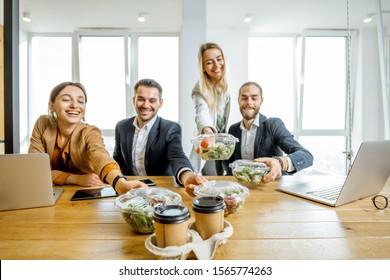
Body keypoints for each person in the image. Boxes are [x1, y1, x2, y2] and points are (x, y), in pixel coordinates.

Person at [28, 81, 148, 195]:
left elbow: (100, 156)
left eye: (80, 101)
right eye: (66, 99)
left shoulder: (90, 131)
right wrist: (75, 178)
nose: (74, 105)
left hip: (85, 193)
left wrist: (120, 183)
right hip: (49, 193)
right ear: (51, 105)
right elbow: (34, 170)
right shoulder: (43, 124)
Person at [113, 78, 206, 194]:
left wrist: (187, 176)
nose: (146, 105)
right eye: (141, 99)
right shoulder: (121, 127)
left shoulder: (170, 128)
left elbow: (177, 156)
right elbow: (118, 160)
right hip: (130, 190)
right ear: (134, 100)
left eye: (152, 100)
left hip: (161, 190)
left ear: (160, 103)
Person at [222, 81, 314, 183]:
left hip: (271, 187)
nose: (249, 102)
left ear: (261, 100)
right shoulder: (233, 129)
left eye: (254, 98)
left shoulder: (273, 124)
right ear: (238, 100)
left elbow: (306, 156)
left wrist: (280, 162)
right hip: (242, 187)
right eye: (244, 97)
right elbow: (228, 161)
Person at [189, 42, 231, 176]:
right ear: (203, 67)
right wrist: (207, 130)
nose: (217, 65)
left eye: (219, 59)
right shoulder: (199, 88)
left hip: (230, 143)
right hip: (211, 143)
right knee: (211, 180)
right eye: (209, 62)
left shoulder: (231, 83)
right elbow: (201, 111)